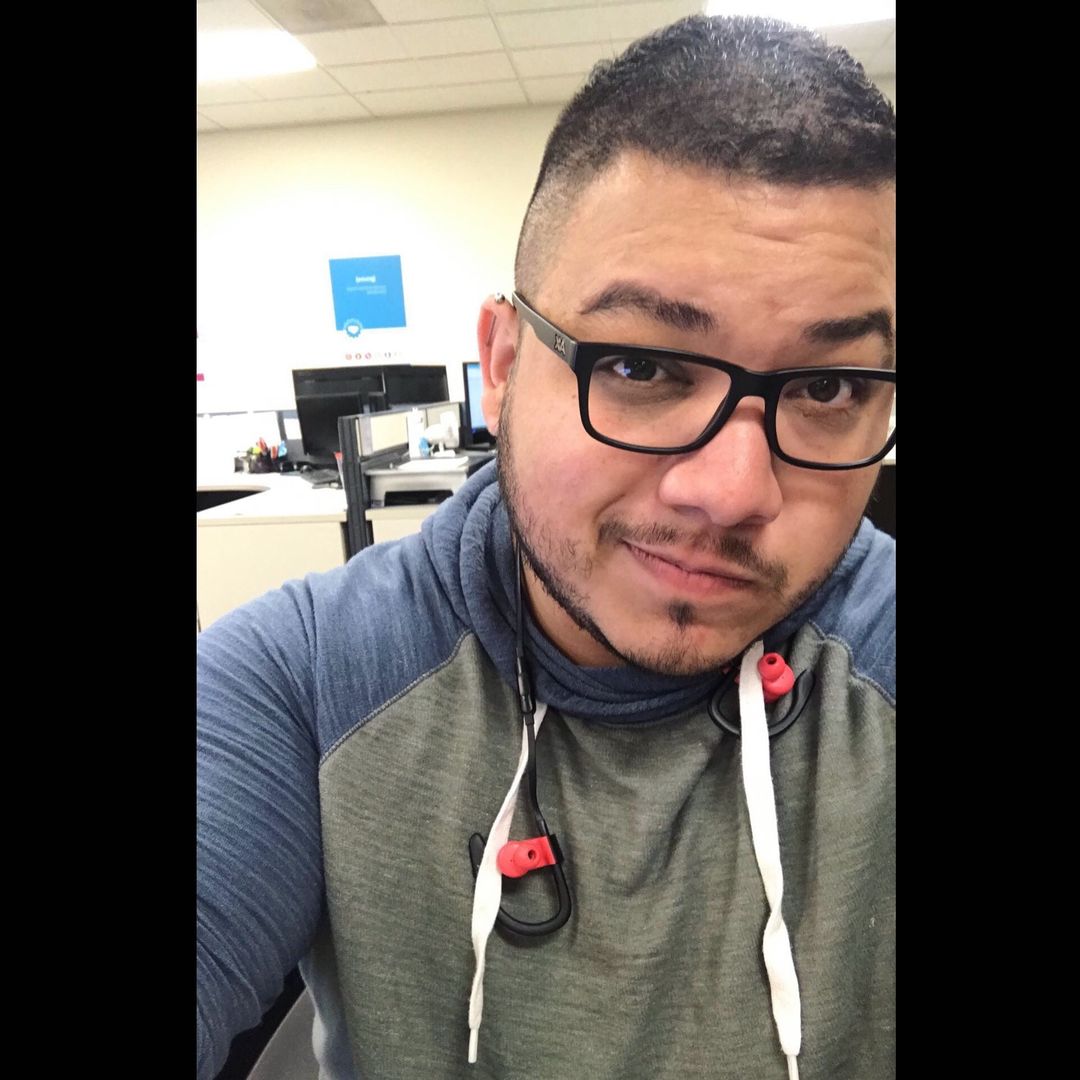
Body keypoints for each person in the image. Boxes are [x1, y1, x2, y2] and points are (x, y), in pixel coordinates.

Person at [197, 13, 895, 1080]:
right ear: (506, 363)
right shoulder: (304, 683)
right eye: (642, 367)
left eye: (829, 387)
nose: (732, 492)